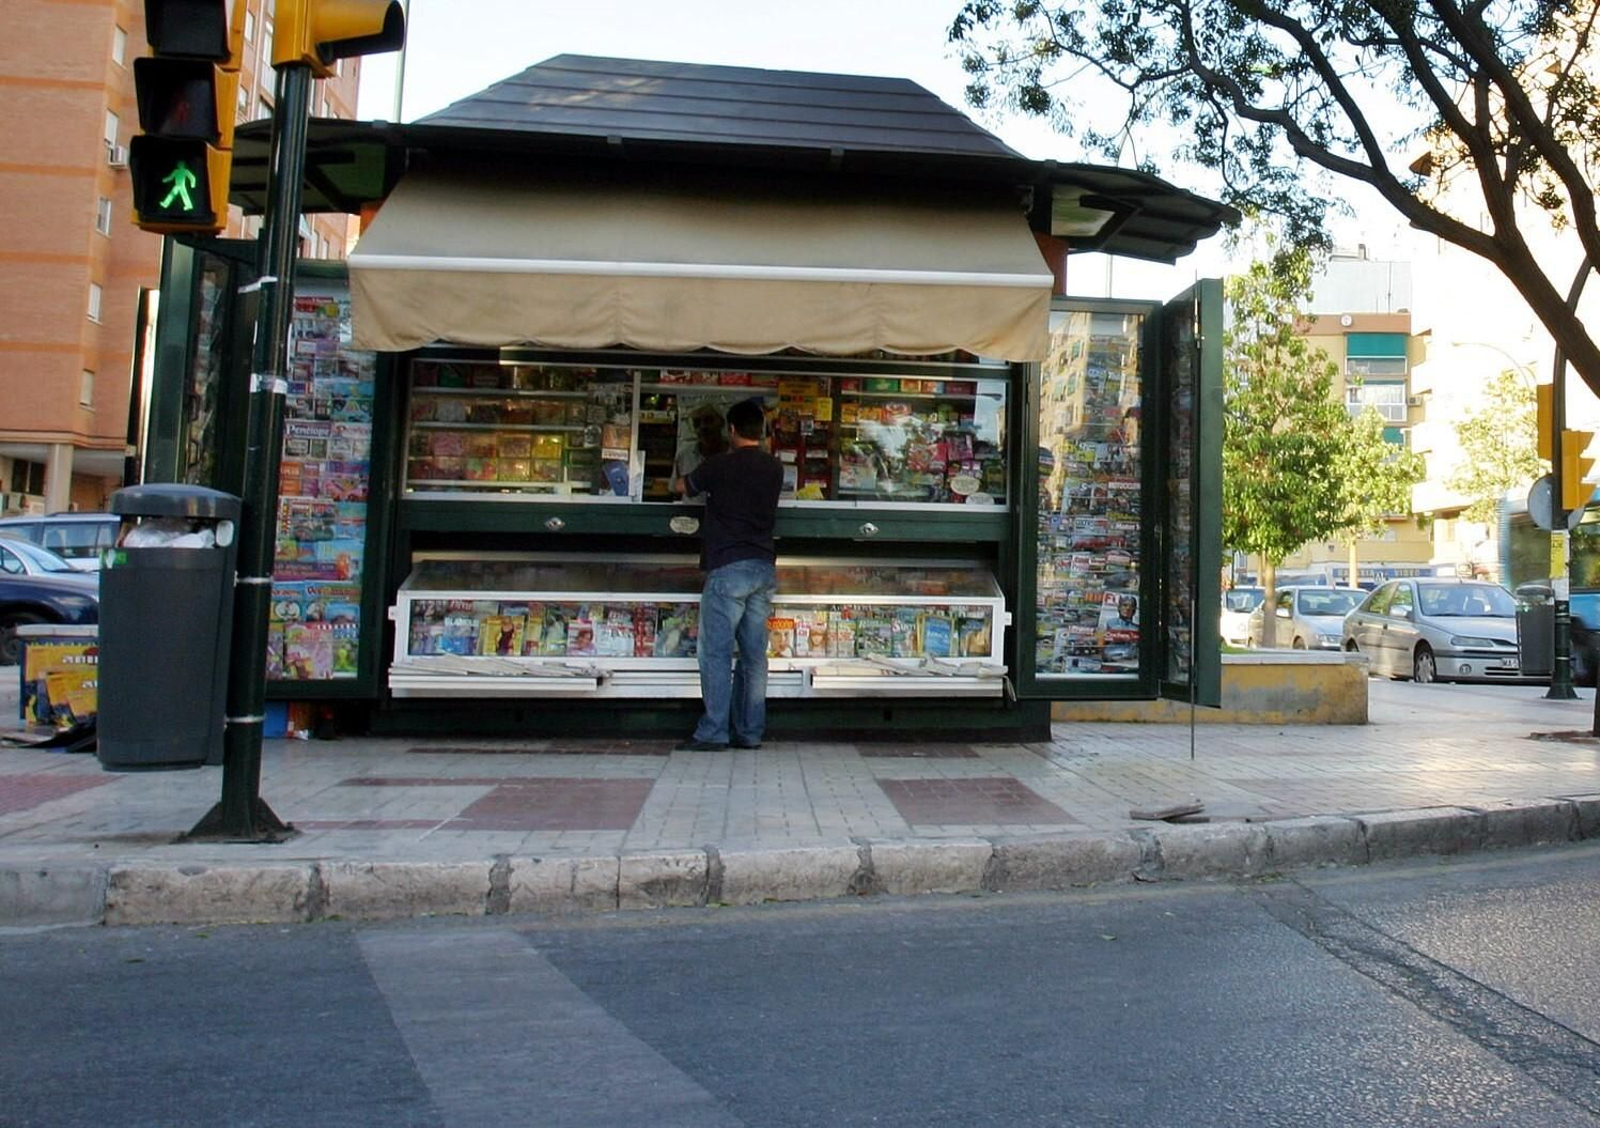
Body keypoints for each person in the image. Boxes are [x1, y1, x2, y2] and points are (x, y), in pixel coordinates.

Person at [674, 398, 782, 751]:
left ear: (731, 430)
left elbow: (681, 488)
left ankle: (713, 731)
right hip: (763, 567)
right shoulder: (774, 468)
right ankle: (750, 732)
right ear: (761, 431)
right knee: (753, 655)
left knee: (717, 653)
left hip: (727, 567)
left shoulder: (717, 466)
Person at [672, 404, 730, 483]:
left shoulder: (737, 455)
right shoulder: (684, 456)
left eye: (708, 420)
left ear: (721, 422)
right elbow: (675, 489)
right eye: (697, 423)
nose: (703, 427)